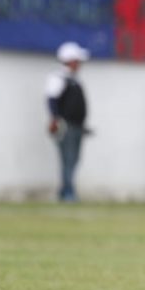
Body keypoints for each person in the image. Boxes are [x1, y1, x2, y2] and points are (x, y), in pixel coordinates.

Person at [46, 42, 90, 202]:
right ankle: (68, 192)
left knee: (74, 159)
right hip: (66, 126)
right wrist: (55, 120)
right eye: (77, 61)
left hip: (77, 126)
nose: (79, 65)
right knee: (68, 159)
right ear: (69, 60)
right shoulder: (59, 78)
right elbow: (52, 100)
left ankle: (66, 189)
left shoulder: (74, 80)